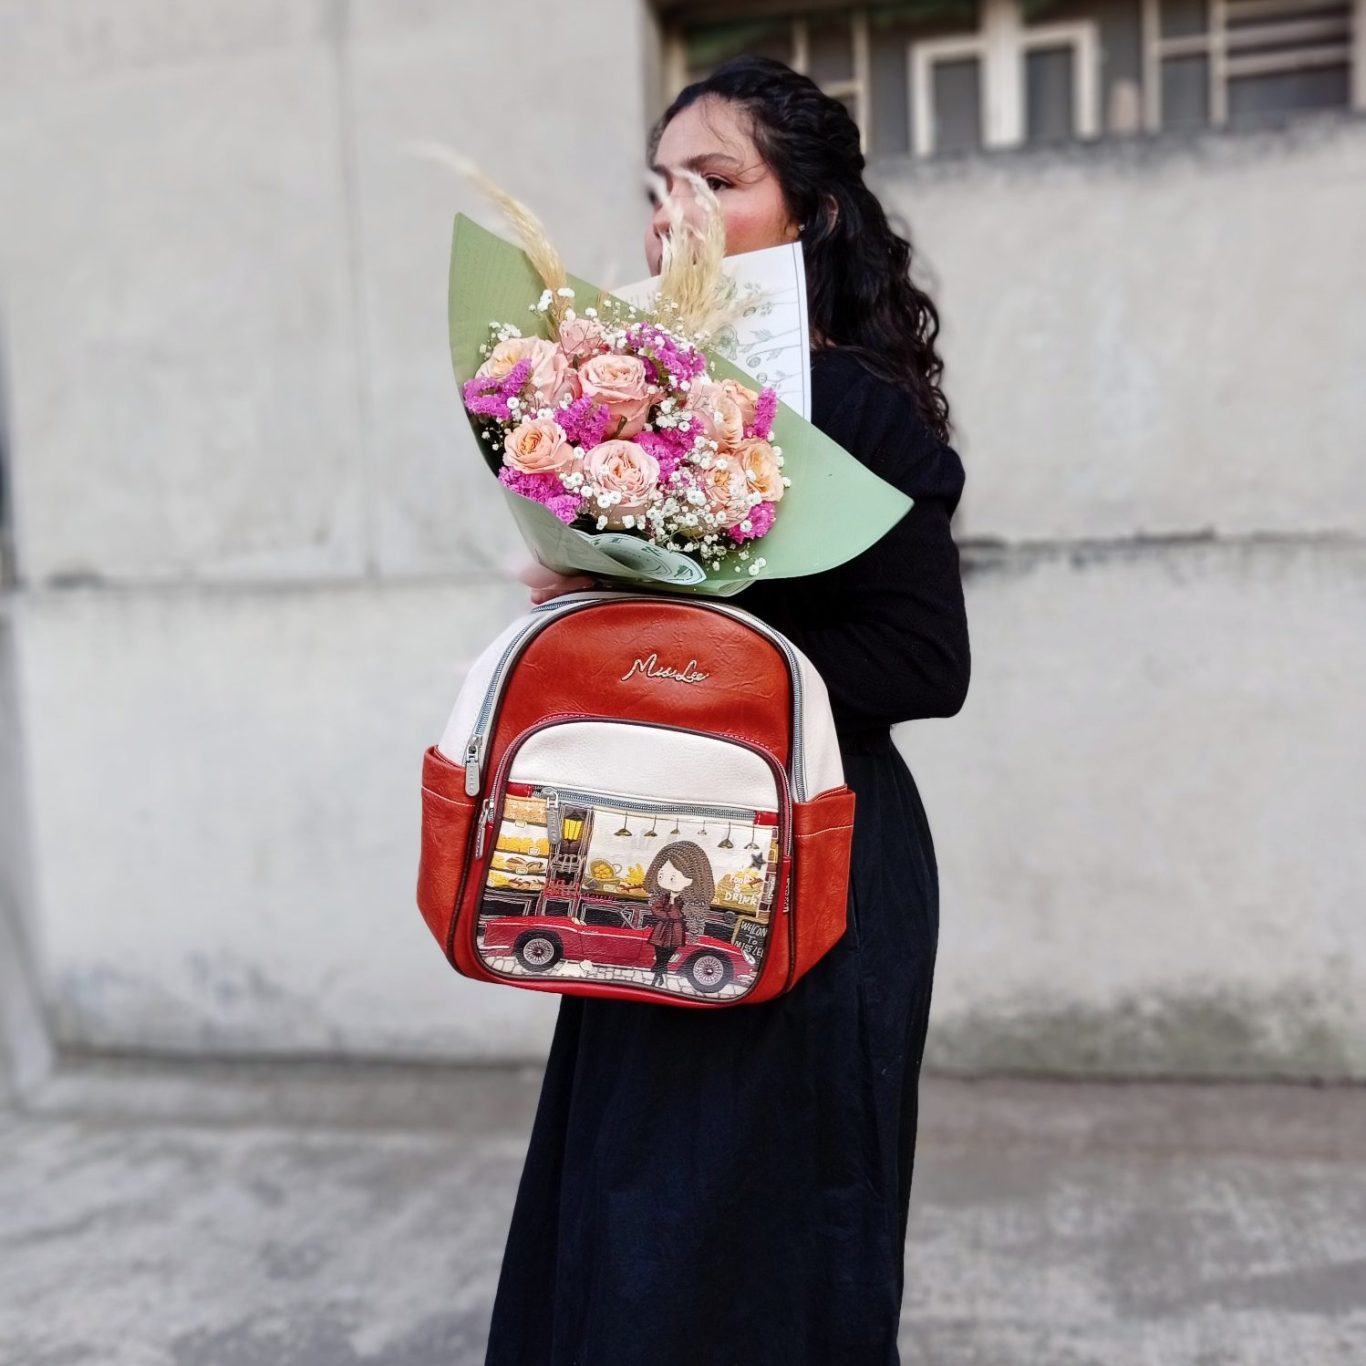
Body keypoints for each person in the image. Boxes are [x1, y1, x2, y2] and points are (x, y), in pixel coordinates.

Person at [485, 55, 971, 1366]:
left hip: (816, 856)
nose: (675, 216)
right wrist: (590, 599)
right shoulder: (639, 413)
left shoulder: (850, 408)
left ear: (810, 212)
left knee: (779, 1234)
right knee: (632, 1209)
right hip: (651, 850)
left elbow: (927, 662)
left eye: (716, 180)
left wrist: (699, 640)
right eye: (659, 189)